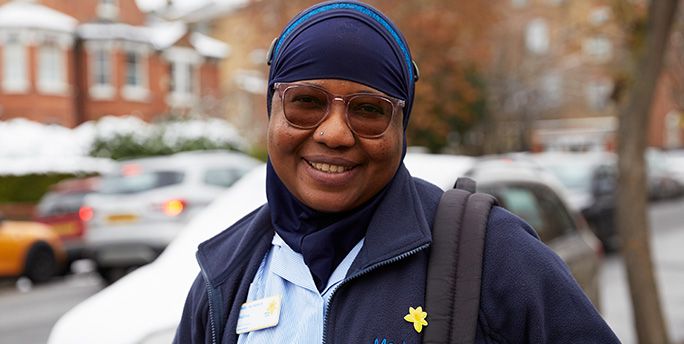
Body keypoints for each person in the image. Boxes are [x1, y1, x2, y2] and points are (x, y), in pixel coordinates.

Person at [174, 1, 620, 343]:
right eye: (305, 102)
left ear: (401, 128)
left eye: (369, 110)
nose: (334, 134)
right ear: (270, 111)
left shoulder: (493, 256)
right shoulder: (225, 276)